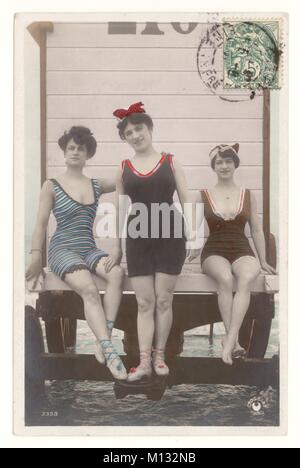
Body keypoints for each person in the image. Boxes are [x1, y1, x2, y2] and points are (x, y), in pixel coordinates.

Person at [25, 126, 127, 380]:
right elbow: (40, 224)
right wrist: (36, 254)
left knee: (116, 273)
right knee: (90, 290)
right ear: (64, 151)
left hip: (88, 247)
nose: (75, 152)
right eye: (71, 147)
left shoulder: (95, 184)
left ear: (88, 154)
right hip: (63, 248)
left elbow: (127, 176)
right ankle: (110, 351)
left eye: (80, 148)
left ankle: (104, 337)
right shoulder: (52, 185)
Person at [106, 102, 196, 382]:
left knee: (164, 300)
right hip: (138, 236)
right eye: (129, 132)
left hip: (170, 234)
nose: (135, 135)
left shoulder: (170, 161)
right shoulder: (124, 167)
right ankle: (143, 362)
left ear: (150, 129)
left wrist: (195, 234)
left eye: (139, 128)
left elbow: (186, 198)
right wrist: (117, 246)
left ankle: (160, 358)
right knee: (145, 302)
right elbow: (120, 208)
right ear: (124, 138)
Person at [189, 143, 276, 365]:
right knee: (226, 279)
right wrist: (193, 250)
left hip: (241, 248)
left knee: (247, 277)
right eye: (219, 162)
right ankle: (234, 340)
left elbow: (256, 230)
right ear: (213, 167)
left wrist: (263, 260)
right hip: (214, 250)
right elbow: (195, 230)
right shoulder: (203, 195)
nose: (224, 166)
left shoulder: (247, 194)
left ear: (235, 164)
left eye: (228, 161)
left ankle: (228, 341)